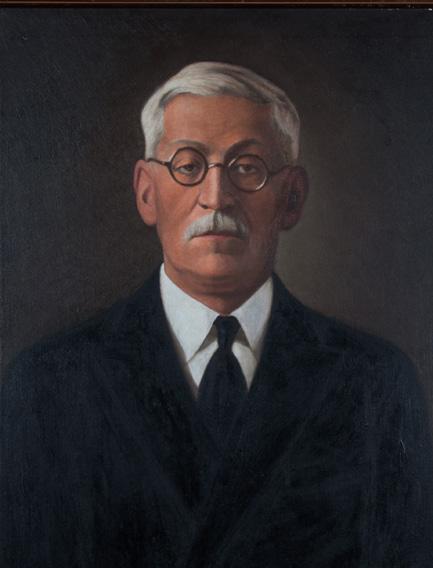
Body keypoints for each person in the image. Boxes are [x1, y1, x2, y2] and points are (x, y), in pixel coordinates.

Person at [1, 62, 432, 568]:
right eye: (188, 165)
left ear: (292, 197)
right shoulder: (49, 383)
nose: (216, 196)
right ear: (146, 191)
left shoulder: (374, 383)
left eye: (247, 167)